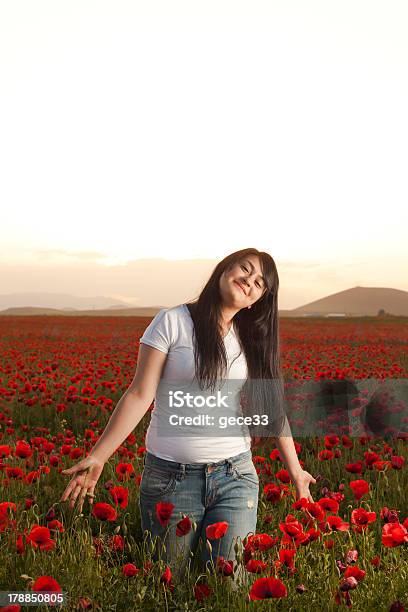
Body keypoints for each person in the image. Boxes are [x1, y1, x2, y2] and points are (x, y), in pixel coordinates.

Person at [59, 248, 316, 586]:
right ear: (224, 269)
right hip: (170, 479)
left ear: (257, 300)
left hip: (235, 476)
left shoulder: (252, 338)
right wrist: (98, 455)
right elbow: (139, 394)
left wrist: (296, 473)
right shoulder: (173, 321)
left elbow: (272, 409)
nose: (248, 281)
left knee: (227, 585)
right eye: (244, 269)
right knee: (169, 584)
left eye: (258, 283)